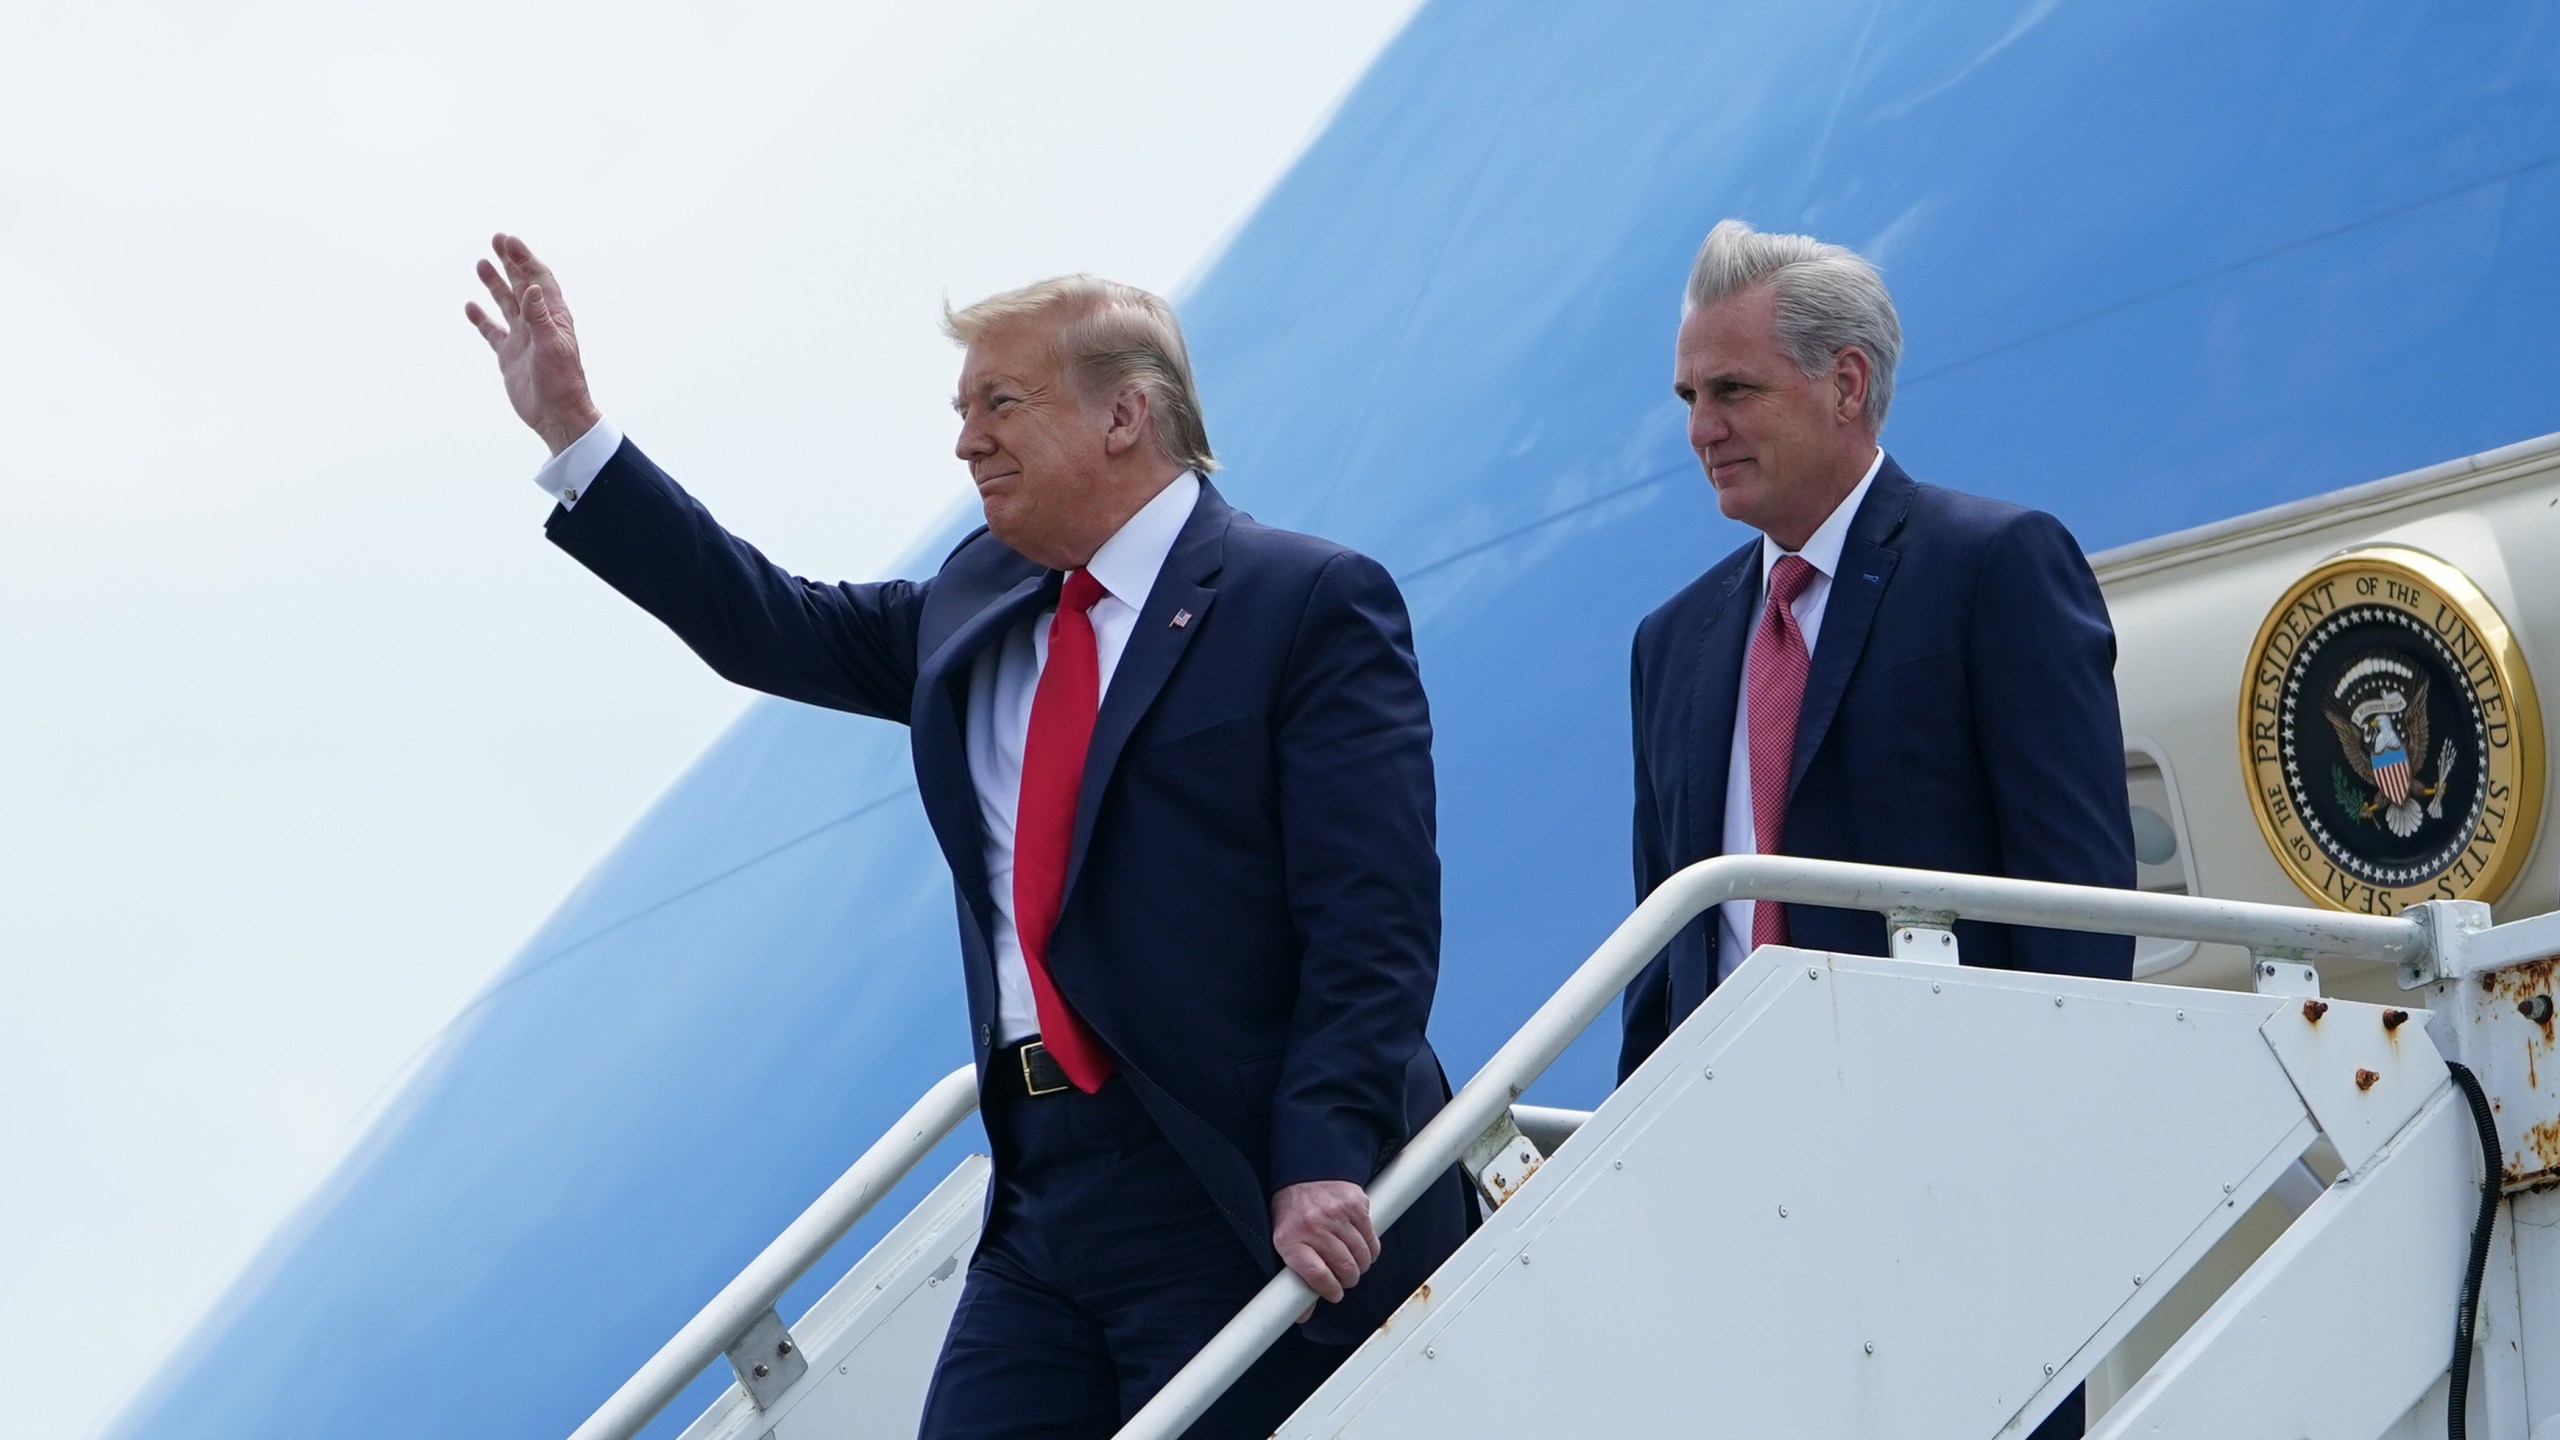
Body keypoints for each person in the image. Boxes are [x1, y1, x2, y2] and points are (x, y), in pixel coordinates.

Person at [463, 236, 1468, 1439]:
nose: (965, 440)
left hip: (1227, 1178)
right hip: (1043, 1184)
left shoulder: (1302, 602)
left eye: (1000, 402)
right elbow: (767, 625)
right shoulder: (976, 602)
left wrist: (1323, 1155)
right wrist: (577, 436)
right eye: (961, 408)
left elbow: (1374, 915)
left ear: (1124, 417)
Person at [1616, 221, 2134, 1440]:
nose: (1702, 427)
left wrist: (2025, 1148)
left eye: (1733, 390)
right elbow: (1666, 951)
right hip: (1749, 1186)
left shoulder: (1994, 564)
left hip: (1954, 1162)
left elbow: (2078, 906)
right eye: (1690, 395)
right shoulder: (1673, 643)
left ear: (1845, 381)